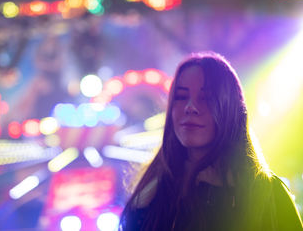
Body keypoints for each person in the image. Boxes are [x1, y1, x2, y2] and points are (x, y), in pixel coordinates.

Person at [119, 52, 303, 231]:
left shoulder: (267, 194)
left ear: (229, 108)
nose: (190, 107)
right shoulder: (151, 194)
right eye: (182, 97)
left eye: (206, 98)